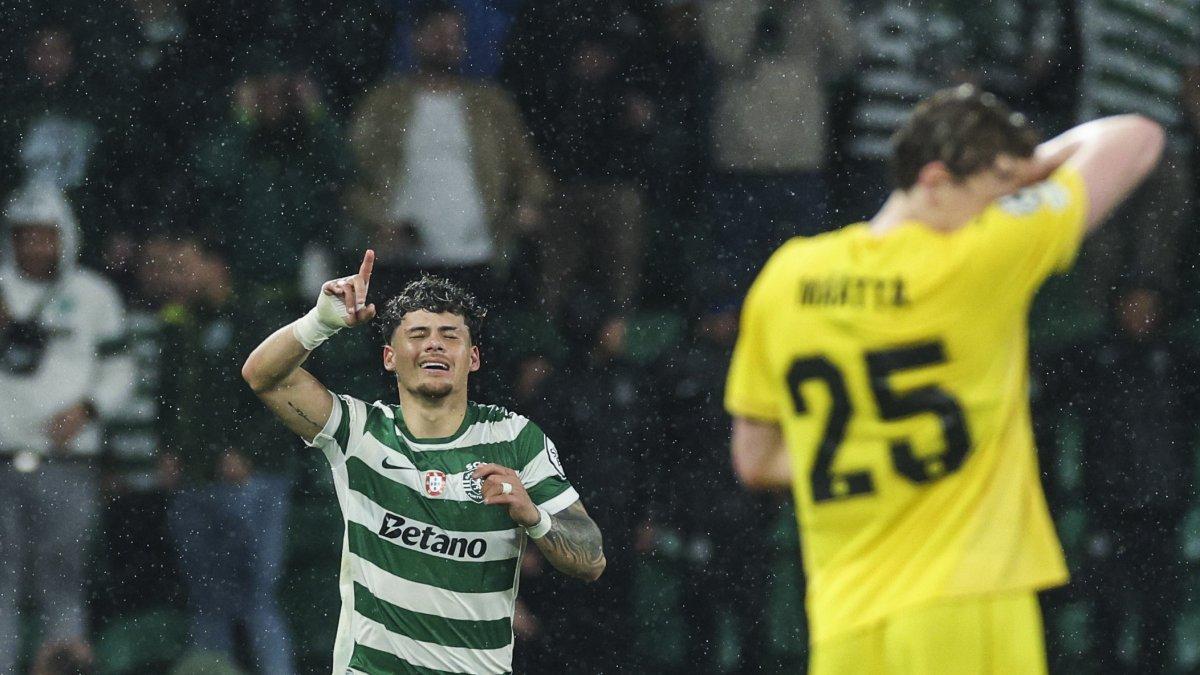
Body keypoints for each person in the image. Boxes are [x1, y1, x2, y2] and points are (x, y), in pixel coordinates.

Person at [724, 85, 1164, 674]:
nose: (1005, 206)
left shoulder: (788, 275)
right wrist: (1037, 167)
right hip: (968, 600)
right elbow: (1138, 137)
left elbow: (756, 461)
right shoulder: (980, 258)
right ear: (934, 181)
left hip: (843, 618)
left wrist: (872, 454)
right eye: (999, 190)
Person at [241, 253, 605, 673]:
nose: (434, 343)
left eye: (450, 335)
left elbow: (592, 559)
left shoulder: (515, 439)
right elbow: (263, 376)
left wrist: (535, 516)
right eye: (417, 334)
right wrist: (320, 321)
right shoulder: (361, 433)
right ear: (389, 357)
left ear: (473, 358)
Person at [0, 184, 134, 675]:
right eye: (24, 236)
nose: (35, 247)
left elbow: (121, 371)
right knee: (2, 581)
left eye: (45, 236)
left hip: (69, 460)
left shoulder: (93, 294)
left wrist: (88, 409)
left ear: (65, 238)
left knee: (64, 577)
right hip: (2, 456)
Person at [347, 0, 551, 303]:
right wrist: (376, 221)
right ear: (415, 38)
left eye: (454, 35)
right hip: (402, 253)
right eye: (437, 33)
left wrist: (527, 206)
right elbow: (351, 173)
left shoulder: (491, 105)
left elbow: (528, 169)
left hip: (474, 251)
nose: (447, 42)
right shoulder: (383, 104)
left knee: (469, 344)